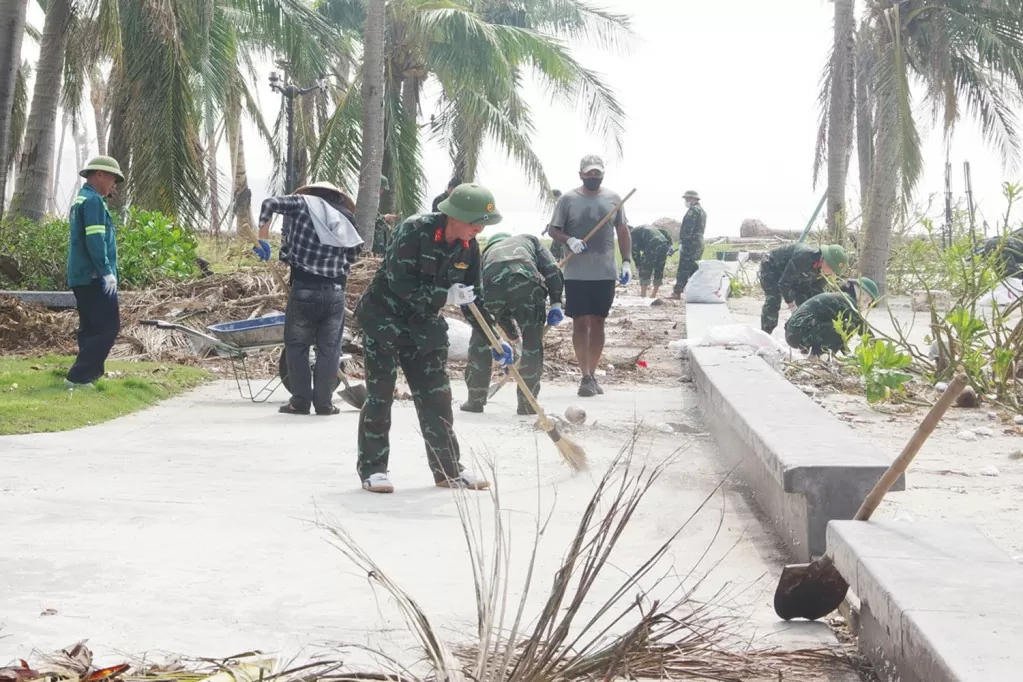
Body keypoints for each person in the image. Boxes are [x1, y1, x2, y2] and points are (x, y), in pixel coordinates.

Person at [355, 183, 510, 494]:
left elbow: (473, 299)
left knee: (437, 398)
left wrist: (496, 338)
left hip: (424, 328)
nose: (478, 229)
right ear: (454, 216)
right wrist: (446, 294)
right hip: (384, 320)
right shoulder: (413, 231)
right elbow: (400, 282)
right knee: (380, 394)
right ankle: (374, 471)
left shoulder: (469, 247)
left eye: (483, 224)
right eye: (473, 222)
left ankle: (448, 470)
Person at [254, 181, 363, 415]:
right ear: (337, 198)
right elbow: (353, 254)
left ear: (311, 194)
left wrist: (262, 238)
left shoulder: (303, 205)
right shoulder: (345, 218)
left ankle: (300, 401)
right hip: (335, 293)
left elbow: (269, 203)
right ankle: (324, 404)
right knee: (329, 349)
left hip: (304, 290)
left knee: (297, 346)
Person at [548, 154, 631, 398]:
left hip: (604, 271)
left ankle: (593, 374)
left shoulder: (614, 199)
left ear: (602, 174)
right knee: (580, 321)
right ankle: (584, 376)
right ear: (581, 174)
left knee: (598, 321)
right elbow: (553, 229)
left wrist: (626, 261)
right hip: (576, 273)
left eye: (597, 173)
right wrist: (569, 240)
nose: (593, 176)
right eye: (589, 173)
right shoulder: (568, 200)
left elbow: (623, 230)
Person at [461, 232, 565, 415]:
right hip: (525, 281)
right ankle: (527, 404)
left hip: (491, 283)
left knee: (480, 339)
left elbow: (498, 312)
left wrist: (495, 339)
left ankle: (475, 400)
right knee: (532, 343)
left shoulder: (487, 254)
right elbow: (552, 269)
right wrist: (556, 302)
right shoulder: (529, 239)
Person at [64, 156, 125, 388]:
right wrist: (106, 272)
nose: (114, 185)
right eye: (112, 178)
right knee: (108, 326)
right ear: (99, 174)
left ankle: (89, 375)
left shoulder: (82, 199)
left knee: (90, 327)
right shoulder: (93, 202)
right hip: (93, 276)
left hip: (81, 275)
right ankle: (79, 376)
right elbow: (95, 239)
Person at [759, 242, 849, 334]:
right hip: (772, 266)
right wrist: (792, 305)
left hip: (794, 274)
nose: (831, 272)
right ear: (824, 259)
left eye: (834, 270)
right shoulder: (804, 256)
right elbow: (784, 283)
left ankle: (803, 336)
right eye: (831, 268)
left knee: (806, 302)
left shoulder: (823, 271)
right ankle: (766, 333)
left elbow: (816, 291)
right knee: (773, 300)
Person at [785, 277, 878, 356]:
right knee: (849, 327)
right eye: (866, 300)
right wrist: (878, 350)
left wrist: (847, 353)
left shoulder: (840, 297)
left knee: (841, 326)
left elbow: (840, 340)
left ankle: (812, 353)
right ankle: (818, 357)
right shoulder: (847, 301)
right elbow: (861, 327)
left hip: (793, 332)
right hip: (800, 332)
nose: (866, 305)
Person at [670, 190, 707, 298]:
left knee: (683, 268)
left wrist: (683, 243)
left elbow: (688, 229)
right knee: (693, 268)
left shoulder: (692, 211)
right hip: (699, 243)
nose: (686, 201)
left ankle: (677, 292)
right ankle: (699, 290)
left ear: (693, 199)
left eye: (687, 199)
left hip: (690, 243)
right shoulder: (702, 211)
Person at [629, 224, 671, 298]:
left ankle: (643, 294)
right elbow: (663, 232)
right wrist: (670, 245)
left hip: (653, 244)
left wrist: (638, 265)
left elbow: (635, 252)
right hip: (664, 244)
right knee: (659, 269)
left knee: (645, 268)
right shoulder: (643, 227)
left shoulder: (632, 234)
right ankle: (653, 294)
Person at [371, 175, 399, 256]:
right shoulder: (367, 201)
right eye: (381, 189)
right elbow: (369, 220)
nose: (382, 192)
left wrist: (384, 217)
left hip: (378, 247)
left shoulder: (373, 201)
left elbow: (375, 217)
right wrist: (384, 217)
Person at [543, 189, 568, 261]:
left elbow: (557, 220)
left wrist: (547, 229)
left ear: (554, 196)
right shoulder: (564, 202)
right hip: (563, 233)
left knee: (555, 255)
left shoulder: (562, 203)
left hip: (561, 232)